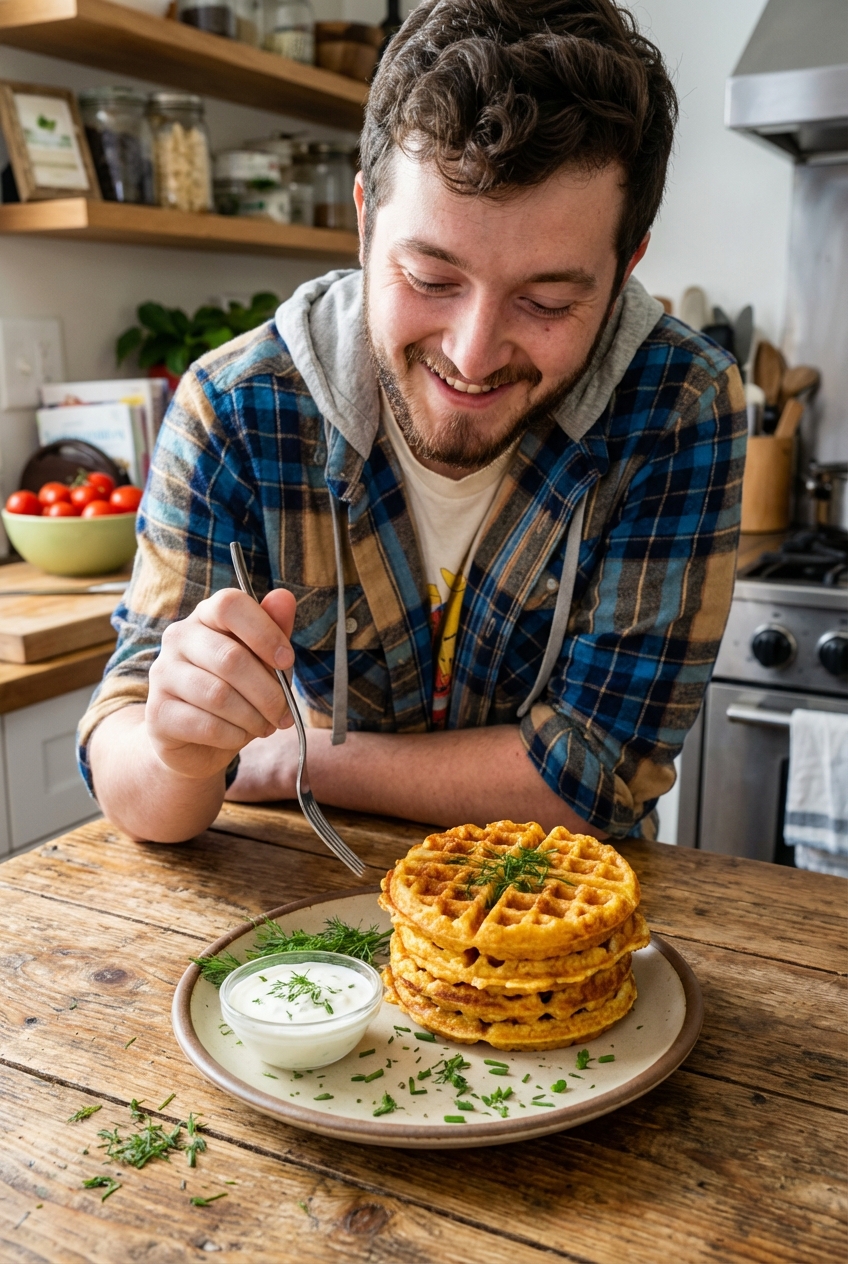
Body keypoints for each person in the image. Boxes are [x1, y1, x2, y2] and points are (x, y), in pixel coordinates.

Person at [79, 0, 746, 846]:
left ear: (626, 268)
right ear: (364, 219)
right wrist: (175, 752)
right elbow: (129, 761)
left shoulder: (680, 404)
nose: (472, 356)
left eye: (548, 301)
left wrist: (304, 758)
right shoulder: (237, 409)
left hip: (556, 925)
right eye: (431, 279)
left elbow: (598, 776)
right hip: (293, 926)